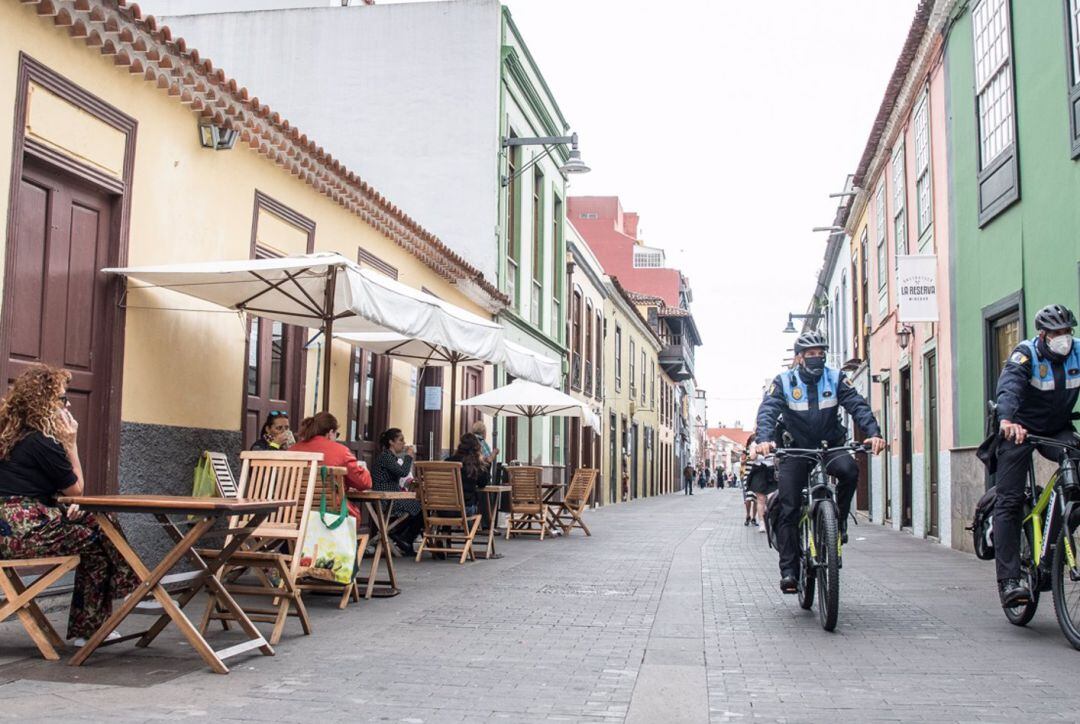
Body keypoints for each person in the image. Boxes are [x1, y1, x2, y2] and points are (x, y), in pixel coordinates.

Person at [0, 365, 139, 647]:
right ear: (44, 403)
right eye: (62, 399)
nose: (68, 404)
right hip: (23, 532)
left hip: (10, 529)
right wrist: (71, 443)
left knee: (94, 525)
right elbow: (76, 490)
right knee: (99, 531)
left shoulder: (7, 436)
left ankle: (132, 590)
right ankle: (133, 592)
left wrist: (63, 508)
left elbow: (29, 486)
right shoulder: (43, 442)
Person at [755, 331, 885, 594]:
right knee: (789, 506)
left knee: (849, 470)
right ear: (799, 357)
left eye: (820, 353)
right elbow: (768, 410)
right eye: (810, 354)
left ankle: (839, 520)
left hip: (831, 445)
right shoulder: (784, 381)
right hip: (796, 448)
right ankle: (790, 571)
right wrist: (765, 439)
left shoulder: (836, 378)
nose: (816, 358)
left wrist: (873, 433)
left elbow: (857, 405)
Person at [990, 304, 1080, 607]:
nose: (1063, 337)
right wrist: (1007, 420)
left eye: (1067, 331)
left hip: (1057, 430)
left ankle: (1057, 534)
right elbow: (1009, 389)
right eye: (1056, 332)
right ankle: (1010, 581)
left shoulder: (1077, 352)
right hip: (1020, 430)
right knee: (1010, 501)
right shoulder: (1025, 354)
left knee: (1075, 465)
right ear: (1043, 334)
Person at [287, 412, 371, 520]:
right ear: (330, 432)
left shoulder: (292, 450)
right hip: (331, 515)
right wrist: (364, 471)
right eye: (337, 434)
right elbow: (363, 483)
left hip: (294, 513)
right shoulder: (341, 451)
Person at [372, 428, 421, 556]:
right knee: (419, 508)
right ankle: (402, 537)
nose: (404, 443)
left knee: (418, 506)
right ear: (391, 442)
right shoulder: (386, 457)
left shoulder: (391, 457)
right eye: (401, 440)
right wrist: (409, 456)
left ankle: (401, 536)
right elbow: (403, 472)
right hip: (386, 499)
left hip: (392, 495)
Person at [446, 434, 490, 515]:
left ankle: (445, 527)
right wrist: (486, 464)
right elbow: (483, 483)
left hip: (442, 509)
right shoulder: (476, 465)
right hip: (464, 509)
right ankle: (472, 527)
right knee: (475, 508)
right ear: (477, 448)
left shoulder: (448, 462)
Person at [745, 431, 778, 533]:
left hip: (772, 470)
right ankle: (762, 522)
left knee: (772, 496)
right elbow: (752, 457)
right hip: (759, 470)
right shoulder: (755, 443)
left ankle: (772, 519)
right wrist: (756, 450)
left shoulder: (775, 440)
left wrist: (773, 448)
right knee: (760, 499)